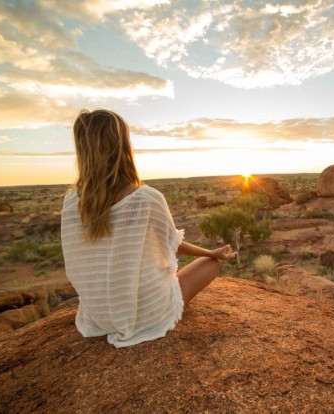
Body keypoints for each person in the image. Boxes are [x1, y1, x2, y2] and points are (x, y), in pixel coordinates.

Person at [61, 109, 236, 348]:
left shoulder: (72, 202)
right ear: (122, 145)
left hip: (97, 315)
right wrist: (211, 254)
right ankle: (158, 306)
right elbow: (169, 244)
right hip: (145, 313)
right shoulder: (146, 198)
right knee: (210, 266)